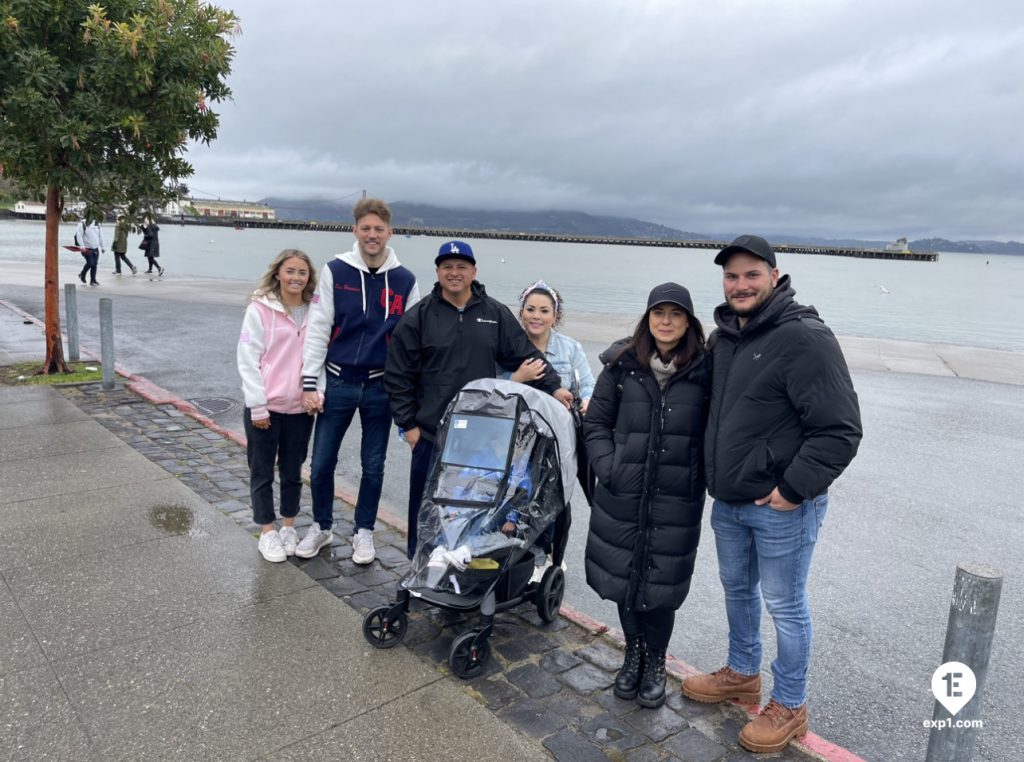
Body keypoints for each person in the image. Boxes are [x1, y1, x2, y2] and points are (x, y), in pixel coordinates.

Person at [681, 235, 862, 753]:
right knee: (737, 592)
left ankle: (790, 703)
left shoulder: (804, 337)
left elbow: (840, 430)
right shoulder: (727, 338)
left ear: (775, 276)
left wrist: (792, 489)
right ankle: (742, 672)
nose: (740, 285)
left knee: (785, 603)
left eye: (751, 275)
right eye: (731, 276)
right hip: (730, 502)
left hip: (780, 506)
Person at [384, 240, 572, 558]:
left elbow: (525, 355)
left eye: (461, 266)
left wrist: (554, 387)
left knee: (474, 507)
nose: (454, 272)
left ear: (474, 271)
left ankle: (464, 570)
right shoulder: (419, 317)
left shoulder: (494, 314)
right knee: (427, 506)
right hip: (432, 434)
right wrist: (408, 424)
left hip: (482, 434)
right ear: (438, 271)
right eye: (447, 266)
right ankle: (420, 568)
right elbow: (398, 374)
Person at [583, 282, 709, 709]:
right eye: (659, 313)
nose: (667, 322)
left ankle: (655, 658)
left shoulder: (705, 369)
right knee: (624, 577)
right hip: (624, 491)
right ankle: (632, 653)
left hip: (676, 497)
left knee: (661, 585)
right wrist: (609, 467)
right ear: (648, 318)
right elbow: (596, 424)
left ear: (688, 321)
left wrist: (701, 476)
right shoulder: (621, 365)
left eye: (676, 314)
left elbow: (718, 430)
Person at [296, 198, 419, 563]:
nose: (372, 235)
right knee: (321, 463)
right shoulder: (336, 270)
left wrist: (408, 392)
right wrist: (309, 383)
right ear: (355, 231)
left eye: (378, 229)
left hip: (381, 386)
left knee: (374, 465)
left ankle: (364, 532)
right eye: (365, 228)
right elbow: (319, 327)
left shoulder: (405, 280)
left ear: (389, 233)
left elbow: (411, 342)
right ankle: (321, 526)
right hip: (338, 381)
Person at [236, 249, 318, 562]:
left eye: (302, 272)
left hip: (300, 408)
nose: (296, 278)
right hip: (265, 408)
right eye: (290, 271)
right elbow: (248, 360)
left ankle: (288, 525)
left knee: (293, 471)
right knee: (261, 471)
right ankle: (267, 531)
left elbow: (319, 358)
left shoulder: (316, 311)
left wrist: (316, 394)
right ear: (278, 274)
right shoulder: (260, 309)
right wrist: (257, 405)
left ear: (309, 278)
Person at [506, 281, 595, 413]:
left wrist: (586, 401)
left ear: (554, 316)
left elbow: (587, 385)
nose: (536, 316)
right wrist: (517, 378)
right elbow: (491, 384)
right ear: (521, 313)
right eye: (530, 309)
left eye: (544, 311)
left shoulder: (571, 348)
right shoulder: (507, 345)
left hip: (560, 425)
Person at [74, 217, 104, 286]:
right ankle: (82, 274)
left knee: (95, 264)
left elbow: (100, 236)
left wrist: (102, 247)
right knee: (90, 263)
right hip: (86, 248)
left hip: (95, 247)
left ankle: (93, 280)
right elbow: (79, 236)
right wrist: (82, 246)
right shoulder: (82, 224)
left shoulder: (97, 224)